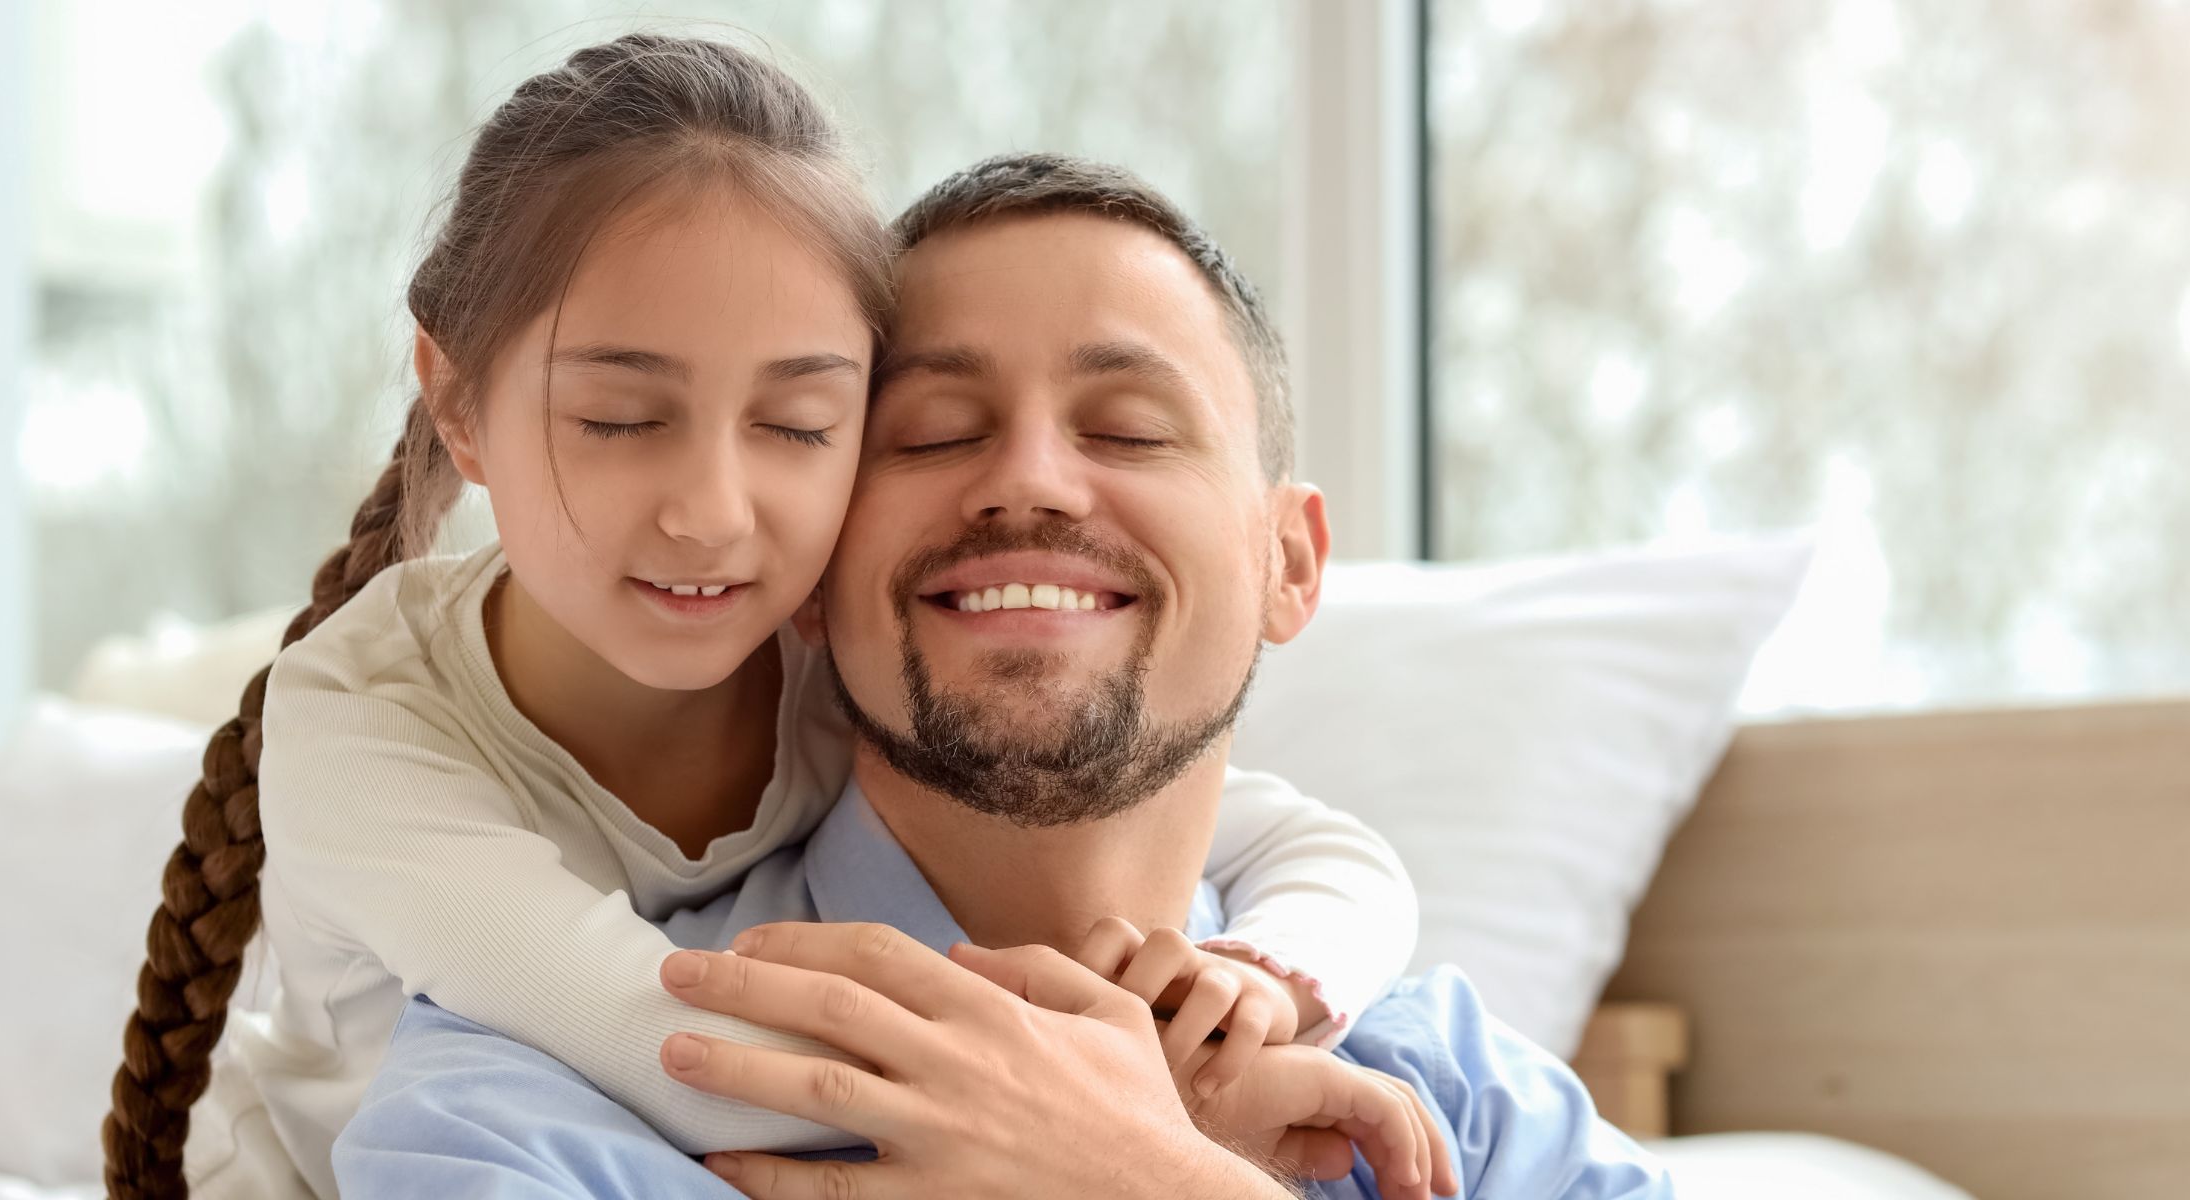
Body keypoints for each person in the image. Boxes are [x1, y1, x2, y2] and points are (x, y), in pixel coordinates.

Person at [101, 37, 1431, 1200]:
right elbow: (667, 1046)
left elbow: (1305, 840)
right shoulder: (364, 734)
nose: (714, 515)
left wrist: (1277, 982)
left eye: (801, 425)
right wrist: (1149, 1122)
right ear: (457, 404)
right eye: (620, 418)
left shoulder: (805, 647)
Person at [330, 153, 1674, 1199]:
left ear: (1290, 564)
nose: (1028, 477)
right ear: (802, 583)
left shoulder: (1449, 1091)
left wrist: (1167, 1178)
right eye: (930, 433)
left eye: (1130, 428)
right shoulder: (525, 1092)